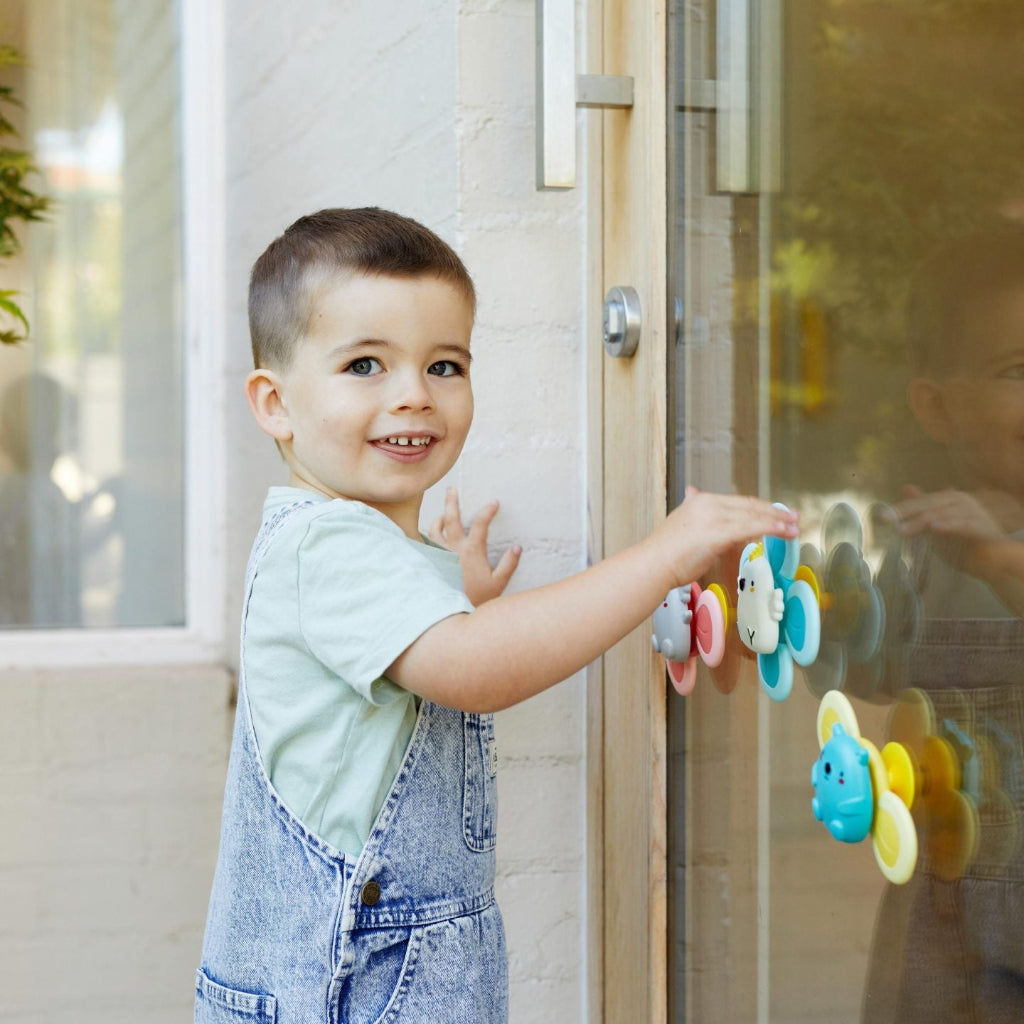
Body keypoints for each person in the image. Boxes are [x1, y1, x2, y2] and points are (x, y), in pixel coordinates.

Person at [194, 207, 799, 1024]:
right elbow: (473, 671)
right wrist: (665, 553)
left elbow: (414, 667)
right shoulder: (326, 546)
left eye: (445, 365)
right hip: (353, 990)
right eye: (366, 364)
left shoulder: (357, 546)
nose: (414, 394)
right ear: (275, 403)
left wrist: (454, 595)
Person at [862, 222, 1024, 1024]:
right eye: (1017, 371)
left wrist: (1000, 560)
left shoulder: (982, 550)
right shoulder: (928, 542)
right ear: (937, 407)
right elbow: (871, 667)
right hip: (948, 899)